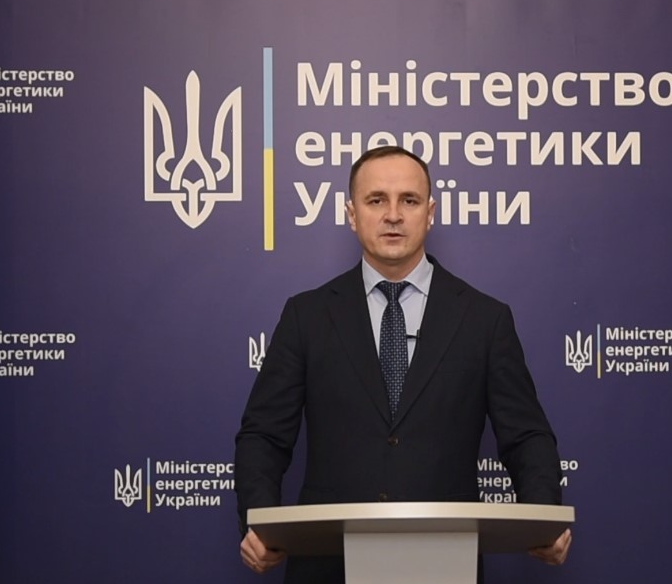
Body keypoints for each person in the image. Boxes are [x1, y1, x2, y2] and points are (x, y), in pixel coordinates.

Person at [235, 145, 572, 582]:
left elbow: (526, 435)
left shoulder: (485, 319)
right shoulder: (307, 316)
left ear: (430, 213)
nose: (392, 215)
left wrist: (544, 516)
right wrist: (258, 522)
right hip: (327, 564)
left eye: (409, 201)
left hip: (445, 562)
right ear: (352, 214)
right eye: (376, 200)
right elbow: (264, 435)